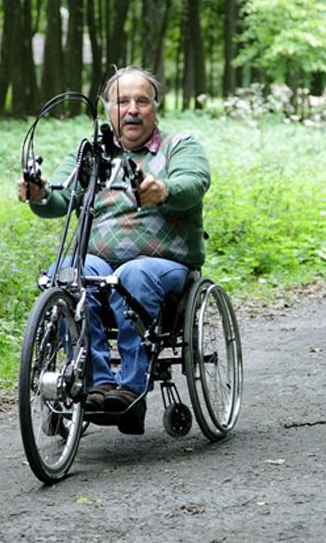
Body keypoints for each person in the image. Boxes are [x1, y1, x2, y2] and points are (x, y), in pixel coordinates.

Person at [18, 66, 211, 434]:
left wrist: (163, 191)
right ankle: (97, 384)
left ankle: (131, 391)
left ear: (156, 108)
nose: (132, 110)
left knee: (133, 274)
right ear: (108, 110)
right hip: (99, 262)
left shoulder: (180, 146)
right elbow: (59, 197)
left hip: (163, 264)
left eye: (142, 101)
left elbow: (194, 182)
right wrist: (39, 194)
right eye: (123, 102)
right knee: (69, 274)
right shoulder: (90, 154)